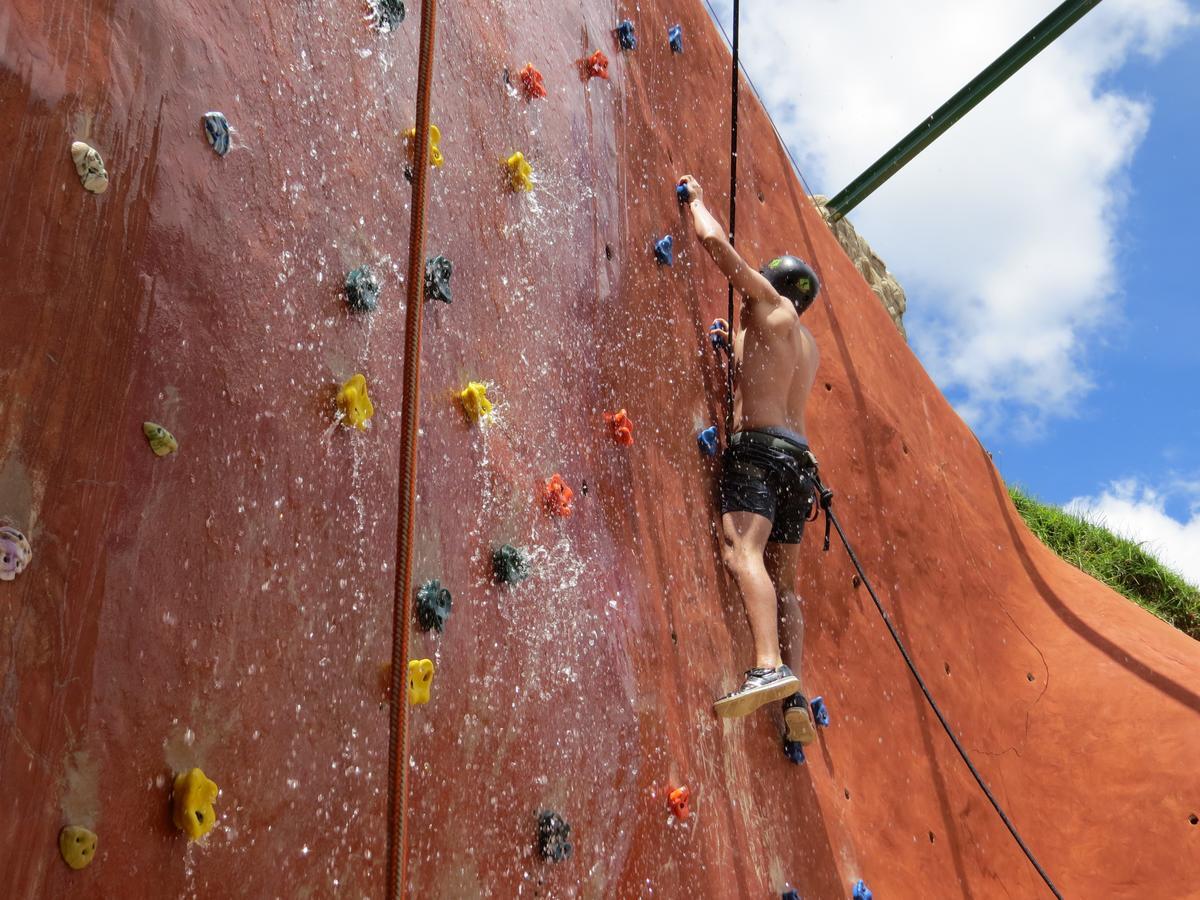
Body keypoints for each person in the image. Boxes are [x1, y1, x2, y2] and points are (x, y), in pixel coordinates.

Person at [678, 174, 823, 744]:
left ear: (775, 285)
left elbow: (718, 250)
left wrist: (697, 200)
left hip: (759, 454)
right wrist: (727, 342)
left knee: (743, 551)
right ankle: (796, 697)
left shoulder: (769, 304)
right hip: (800, 467)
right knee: (785, 585)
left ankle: (767, 665)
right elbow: (759, 366)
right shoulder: (804, 347)